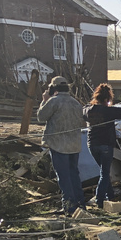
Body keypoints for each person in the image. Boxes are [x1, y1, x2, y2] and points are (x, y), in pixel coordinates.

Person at [83, 84, 121, 209]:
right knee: (105, 173)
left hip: (91, 144)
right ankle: (100, 199)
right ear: (107, 99)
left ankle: (110, 196)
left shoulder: (87, 109)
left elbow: (84, 111)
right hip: (105, 145)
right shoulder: (108, 111)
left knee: (104, 173)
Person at [37, 76, 85, 215]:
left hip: (58, 145)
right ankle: (80, 205)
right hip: (74, 145)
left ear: (53, 88)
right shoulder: (76, 103)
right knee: (74, 175)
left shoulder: (53, 101)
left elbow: (41, 117)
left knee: (63, 177)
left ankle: (69, 207)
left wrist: (44, 100)